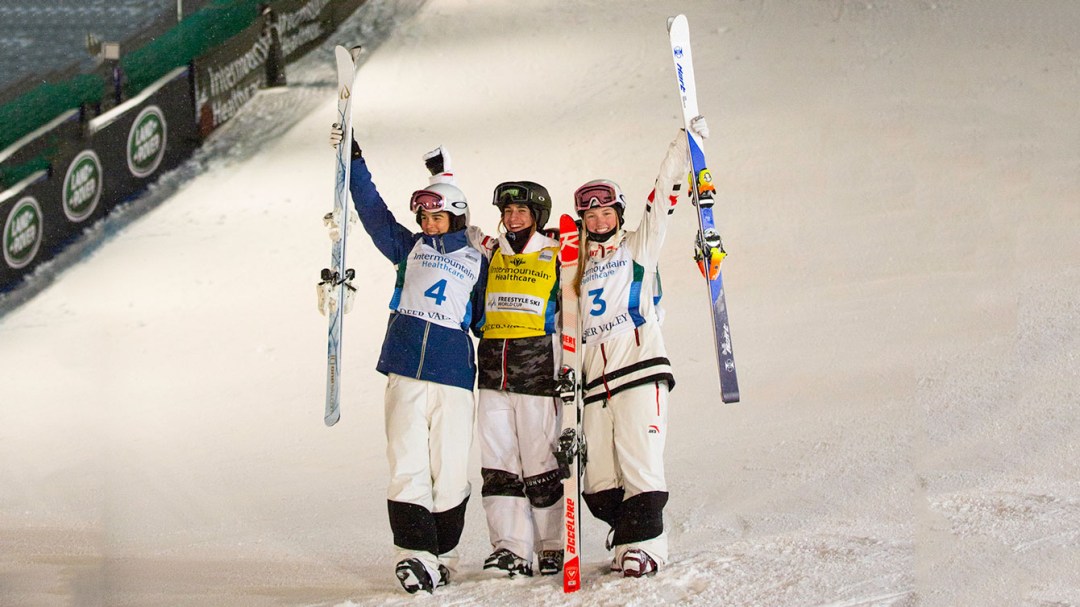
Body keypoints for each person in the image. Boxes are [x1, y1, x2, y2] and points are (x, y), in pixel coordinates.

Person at [329, 125, 487, 594]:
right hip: (405, 367)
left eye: (436, 217)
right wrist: (353, 161)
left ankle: (444, 554)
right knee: (407, 460)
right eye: (422, 215)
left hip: (455, 372)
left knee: (451, 465)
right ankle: (415, 556)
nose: (427, 222)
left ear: (457, 217)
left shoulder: (481, 260)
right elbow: (373, 212)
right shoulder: (408, 247)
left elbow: (491, 316)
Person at [570, 116, 708, 578]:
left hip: (640, 369)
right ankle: (627, 535)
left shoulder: (639, 247)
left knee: (641, 465)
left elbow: (662, 193)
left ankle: (647, 548)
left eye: (606, 213)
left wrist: (684, 144)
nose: (599, 220)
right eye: (591, 215)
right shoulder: (576, 267)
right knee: (601, 485)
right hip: (594, 387)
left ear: (619, 216)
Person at [467, 181, 564, 578]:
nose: (513, 218)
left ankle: (552, 543)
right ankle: (509, 548)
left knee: (540, 461)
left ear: (537, 216)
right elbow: (461, 228)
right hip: (492, 370)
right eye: (507, 212)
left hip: (538, 370)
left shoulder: (557, 252)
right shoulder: (490, 251)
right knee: (499, 464)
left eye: (521, 211)